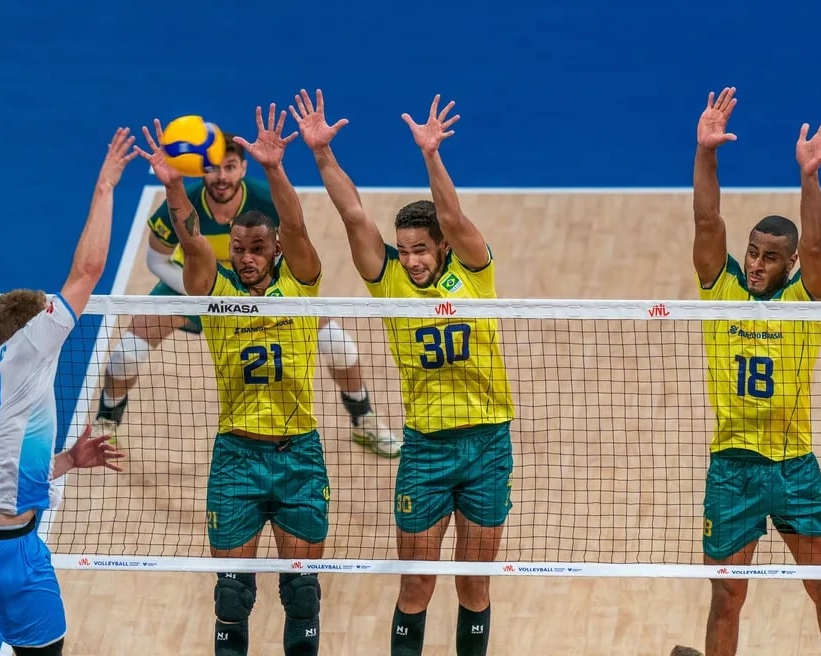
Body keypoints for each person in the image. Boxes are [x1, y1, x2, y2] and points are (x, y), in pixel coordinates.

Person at [293, 89, 515, 656]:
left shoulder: (474, 271)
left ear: (442, 247)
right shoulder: (388, 279)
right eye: (405, 250)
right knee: (416, 584)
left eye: (421, 250)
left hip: (487, 444)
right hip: (425, 450)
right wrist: (321, 154)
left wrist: (430, 155)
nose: (412, 260)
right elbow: (353, 214)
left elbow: (453, 216)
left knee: (474, 583)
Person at [133, 106, 327, 656]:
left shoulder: (301, 286)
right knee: (232, 596)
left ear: (276, 250)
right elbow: (193, 242)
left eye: (257, 249)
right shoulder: (215, 297)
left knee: (303, 593)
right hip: (237, 457)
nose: (246, 258)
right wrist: (174, 187)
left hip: (299, 455)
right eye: (238, 249)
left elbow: (297, 226)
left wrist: (275, 168)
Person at [94, 131, 400, 458]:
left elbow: (288, 245)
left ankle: (363, 417)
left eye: (230, 167)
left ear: (242, 168)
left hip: (260, 289)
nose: (221, 177)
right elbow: (157, 261)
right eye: (214, 168)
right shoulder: (184, 204)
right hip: (195, 286)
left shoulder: (265, 200)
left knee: (339, 345)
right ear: (202, 169)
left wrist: (263, 293)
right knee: (127, 353)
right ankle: (106, 423)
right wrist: (208, 298)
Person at [0, 128, 134, 655]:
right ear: (34, 328)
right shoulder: (33, 347)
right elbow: (87, 271)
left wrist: (69, 461)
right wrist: (105, 185)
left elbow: (0, 470)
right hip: (10, 552)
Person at [692, 86, 821, 656]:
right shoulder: (721, 290)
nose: (756, 264)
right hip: (732, 466)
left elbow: (818, 247)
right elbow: (707, 219)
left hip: (793, 466)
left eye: (769, 257)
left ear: (789, 264)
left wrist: (809, 178)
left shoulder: (806, 301)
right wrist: (706, 151)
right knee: (726, 597)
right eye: (752, 252)